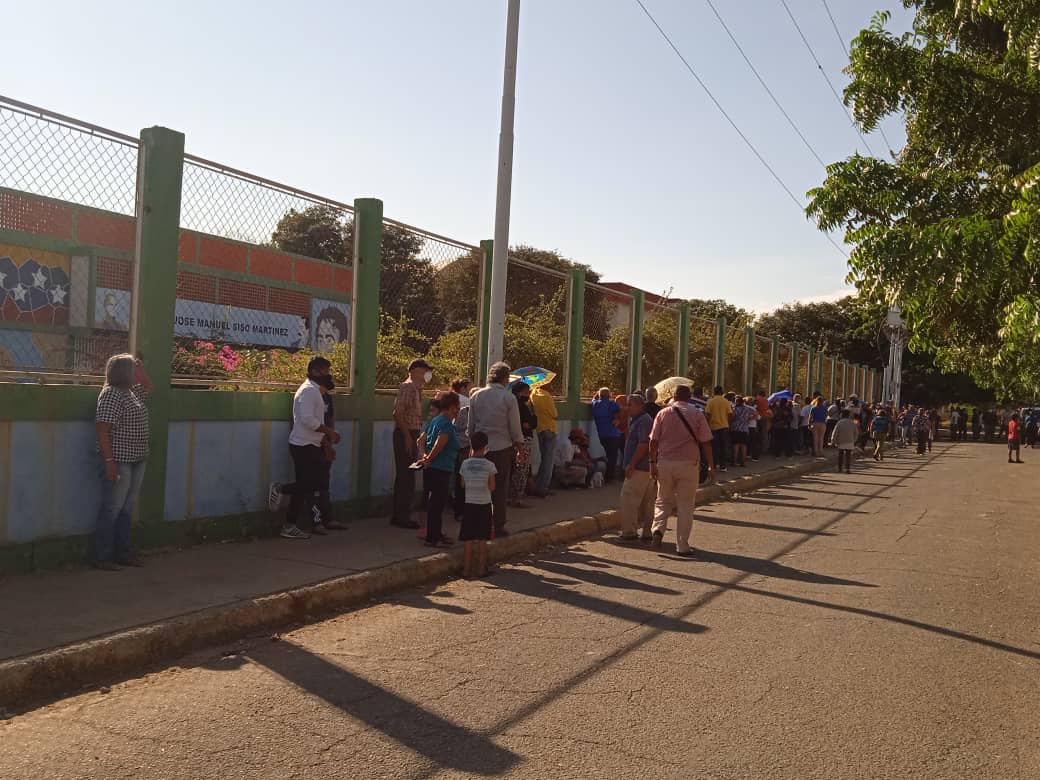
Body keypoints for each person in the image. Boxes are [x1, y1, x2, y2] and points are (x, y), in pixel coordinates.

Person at [93, 353, 153, 569]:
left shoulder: (131, 393)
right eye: (132, 369)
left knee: (126, 508)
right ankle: (103, 557)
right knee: (113, 507)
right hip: (119, 459)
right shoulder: (111, 394)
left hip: (137, 458)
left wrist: (140, 370)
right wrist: (109, 461)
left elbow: (148, 386)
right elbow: (102, 431)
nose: (135, 374)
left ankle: (122, 553)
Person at [271, 356, 341, 540]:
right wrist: (329, 432)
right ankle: (281, 489)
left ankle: (289, 525)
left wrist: (326, 442)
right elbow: (307, 420)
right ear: (314, 372)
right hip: (303, 445)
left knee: (305, 487)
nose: (328, 374)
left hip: (311, 444)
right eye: (324, 371)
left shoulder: (315, 391)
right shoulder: (309, 391)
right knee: (308, 485)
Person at [648, 385, 714, 556]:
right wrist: (711, 465)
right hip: (689, 464)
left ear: (674, 396)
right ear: (689, 397)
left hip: (665, 462)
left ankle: (658, 530)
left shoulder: (662, 413)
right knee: (685, 505)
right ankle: (682, 545)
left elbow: (653, 440)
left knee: (662, 499)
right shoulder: (697, 414)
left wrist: (652, 463)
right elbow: (706, 441)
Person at [468, 362, 523, 537]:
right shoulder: (508, 398)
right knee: (499, 489)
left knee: (478, 487)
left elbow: (471, 427)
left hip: (479, 448)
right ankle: (497, 525)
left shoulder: (476, 395)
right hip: (501, 448)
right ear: (506, 379)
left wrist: (473, 447)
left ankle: (477, 524)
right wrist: (520, 448)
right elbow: (515, 427)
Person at [391, 359, 431, 530]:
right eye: (424, 371)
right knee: (406, 476)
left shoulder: (416, 389)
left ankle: (401, 514)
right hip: (405, 434)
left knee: (407, 476)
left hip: (410, 433)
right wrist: (407, 436)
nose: (426, 375)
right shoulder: (408, 387)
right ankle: (401, 516)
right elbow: (398, 414)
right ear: (415, 371)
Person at [418, 390, 461, 547]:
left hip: (433, 467)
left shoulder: (435, 420)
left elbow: (421, 440)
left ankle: (436, 534)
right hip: (441, 468)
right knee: (437, 504)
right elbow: (440, 442)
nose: (458, 411)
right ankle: (432, 538)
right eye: (457, 408)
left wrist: (424, 457)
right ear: (451, 408)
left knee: (434, 503)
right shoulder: (446, 424)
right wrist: (429, 458)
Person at [459, 432, 496, 578]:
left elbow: (462, 484)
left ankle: (466, 570)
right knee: (482, 539)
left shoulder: (465, 464)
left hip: (469, 504)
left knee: (468, 539)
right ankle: (481, 569)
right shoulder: (490, 466)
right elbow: (492, 487)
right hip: (484, 504)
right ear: (486, 447)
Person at [618, 394, 655, 542]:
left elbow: (644, 444)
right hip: (645, 468)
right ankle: (647, 533)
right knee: (646, 503)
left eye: (630, 405)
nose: (628, 408)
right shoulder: (638, 420)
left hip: (640, 467)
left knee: (628, 499)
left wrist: (632, 464)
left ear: (640, 406)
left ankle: (629, 532)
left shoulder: (644, 421)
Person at [509, 381, 536, 508]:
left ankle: (512, 496)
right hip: (523, 440)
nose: (529, 393)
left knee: (515, 468)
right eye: (527, 391)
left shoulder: (514, 404)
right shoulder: (521, 406)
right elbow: (528, 424)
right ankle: (517, 498)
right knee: (521, 468)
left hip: (512, 439)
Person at [530, 380, 558, 498]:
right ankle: (544, 486)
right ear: (545, 385)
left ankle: (538, 485)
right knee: (548, 460)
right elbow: (555, 414)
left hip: (539, 428)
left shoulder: (533, 394)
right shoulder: (547, 397)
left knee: (542, 458)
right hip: (550, 429)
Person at [450, 378, 472, 522]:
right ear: (463, 388)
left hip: (455, 445)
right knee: (463, 479)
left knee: (456, 478)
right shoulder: (466, 403)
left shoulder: (450, 399)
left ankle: (457, 508)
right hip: (465, 446)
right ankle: (461, 510)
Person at [591, 388, 622, 483]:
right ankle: (610, 477)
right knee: (613, 456)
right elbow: (619, 408)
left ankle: (608, 475)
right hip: (613, 434)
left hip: (602, 435)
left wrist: (596, 396)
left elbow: (593, 400)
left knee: (608, 454)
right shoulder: (611, 404)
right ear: (609, 395)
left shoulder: (595, 404)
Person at [705, 385, 732, 473]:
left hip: (713, 427)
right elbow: (731, 414)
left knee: (714, 447)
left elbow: (707, 414)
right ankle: (723, 466)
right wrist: (727, 421)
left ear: (714, 392)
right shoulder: (726, 401)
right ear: (722, 392)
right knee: (723, 447)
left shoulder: (710, 401)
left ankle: (714, 464)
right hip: (724, 426)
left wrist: (708, 424)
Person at [729, 395, 755, 468]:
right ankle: (743, 462)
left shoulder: (735, 409)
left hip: (736, 429)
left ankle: (734, 462)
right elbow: (756, 414)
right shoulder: (747, 408)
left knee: (736, 446)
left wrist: (730, 421)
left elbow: (732, 417)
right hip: (744, 429)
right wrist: (749, 419)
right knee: (744, 446)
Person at [831, 409, 857, 474]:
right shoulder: (852, 422)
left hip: (841, 441)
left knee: (841, 455)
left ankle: (840, 468)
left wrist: (833, 440)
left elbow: (835, 432)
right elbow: (856, 432)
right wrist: (854, 440)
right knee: (848, 455)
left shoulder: (840, 422)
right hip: (850, 441)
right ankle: (847, 468)